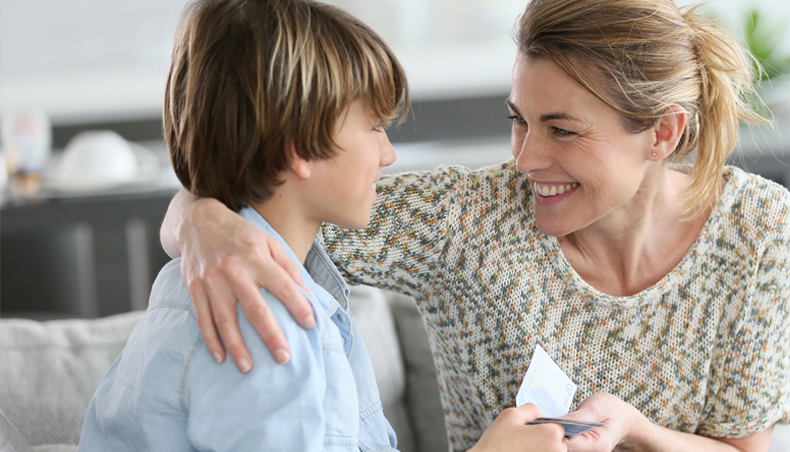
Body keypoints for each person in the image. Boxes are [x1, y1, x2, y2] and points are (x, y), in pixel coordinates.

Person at [162, 0, 790, 450]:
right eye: (518, 119)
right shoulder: (465, 219)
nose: (524, 158)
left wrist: (632, 427)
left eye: (560, 129)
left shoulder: (759, 229)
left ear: (662, 133)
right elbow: (265, 196)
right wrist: (199, 221)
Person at [79, 0, 565, 451]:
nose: (388, 154)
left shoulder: (214, 277)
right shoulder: (265, 326)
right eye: (375, 126)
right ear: (299, 145)